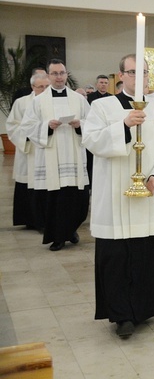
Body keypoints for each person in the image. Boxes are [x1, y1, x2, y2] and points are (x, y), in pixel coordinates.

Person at [82, 54, 154, 339]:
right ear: (121, 76)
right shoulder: (102, 106)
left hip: (147, 192)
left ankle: (145, 308)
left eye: (144, 72)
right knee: (116, 255)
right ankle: (121, 314)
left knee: (146, 253)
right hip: (113, 194)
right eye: (133, 72)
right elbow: (91, 140)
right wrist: (123, 125)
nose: (140, 77)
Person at [20, 59, 90, 251]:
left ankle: (71, 230)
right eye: (55, 74)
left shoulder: (79, 100)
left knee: (77, 199)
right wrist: (46, 127)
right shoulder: (38, 101)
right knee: (55, 200)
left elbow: (92, 123)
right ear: (48, 76)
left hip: (74, 156)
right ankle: (58, 236)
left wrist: (80, 125)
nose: (59, 77)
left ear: (66, 74)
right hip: (51, 157)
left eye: (62, 73)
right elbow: (28, 126)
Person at [6, 72, 50, 229]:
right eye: (40, 87)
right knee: (28, 184)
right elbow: (12, 125)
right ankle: (30, 220)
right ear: (32, 87)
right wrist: (29, 135)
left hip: (47, 149)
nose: (44, 90)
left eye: (47, 86)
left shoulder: (53, 102)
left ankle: (45, 221)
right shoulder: (22, 103)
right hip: (30, 149)